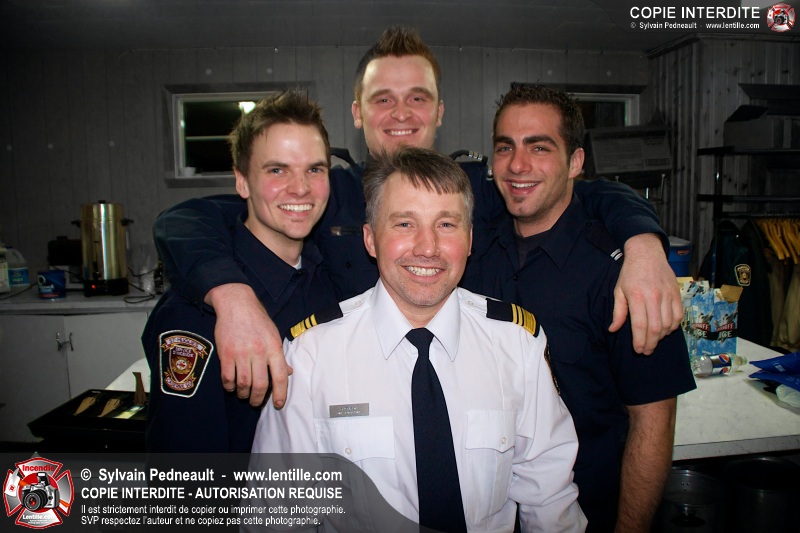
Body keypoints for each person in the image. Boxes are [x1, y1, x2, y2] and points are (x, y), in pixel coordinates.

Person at [153, 26, 682, 409]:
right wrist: (233, 298)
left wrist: (643, 245)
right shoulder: (322, 192)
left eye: (417, 98)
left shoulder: (476, 188)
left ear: (439, 112)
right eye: (383, 99)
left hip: (465, 405)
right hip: (348, 408)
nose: (401, 114)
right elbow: (187, 221)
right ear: (358, 113)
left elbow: (582, 191)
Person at [252, 147, 587, 532]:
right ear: (370, 240)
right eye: (404, 224)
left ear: (470, 239)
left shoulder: (516, 345)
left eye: (446, 224)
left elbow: (549, 501)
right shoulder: (312, 356)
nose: (427, 248)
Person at [469, 84, 696, 532]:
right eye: (505, 147)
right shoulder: (472, 250)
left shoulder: (623, 278)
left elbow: (653, 422)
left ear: (575, 162)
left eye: (539, 147)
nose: (518, 165)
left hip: (591, 511)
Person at [141, 92, 338, 452]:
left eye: (315, 169)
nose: (301, 188)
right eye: (277, 170)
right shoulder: (200, 315)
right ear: (242, 181)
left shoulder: (327, 277)